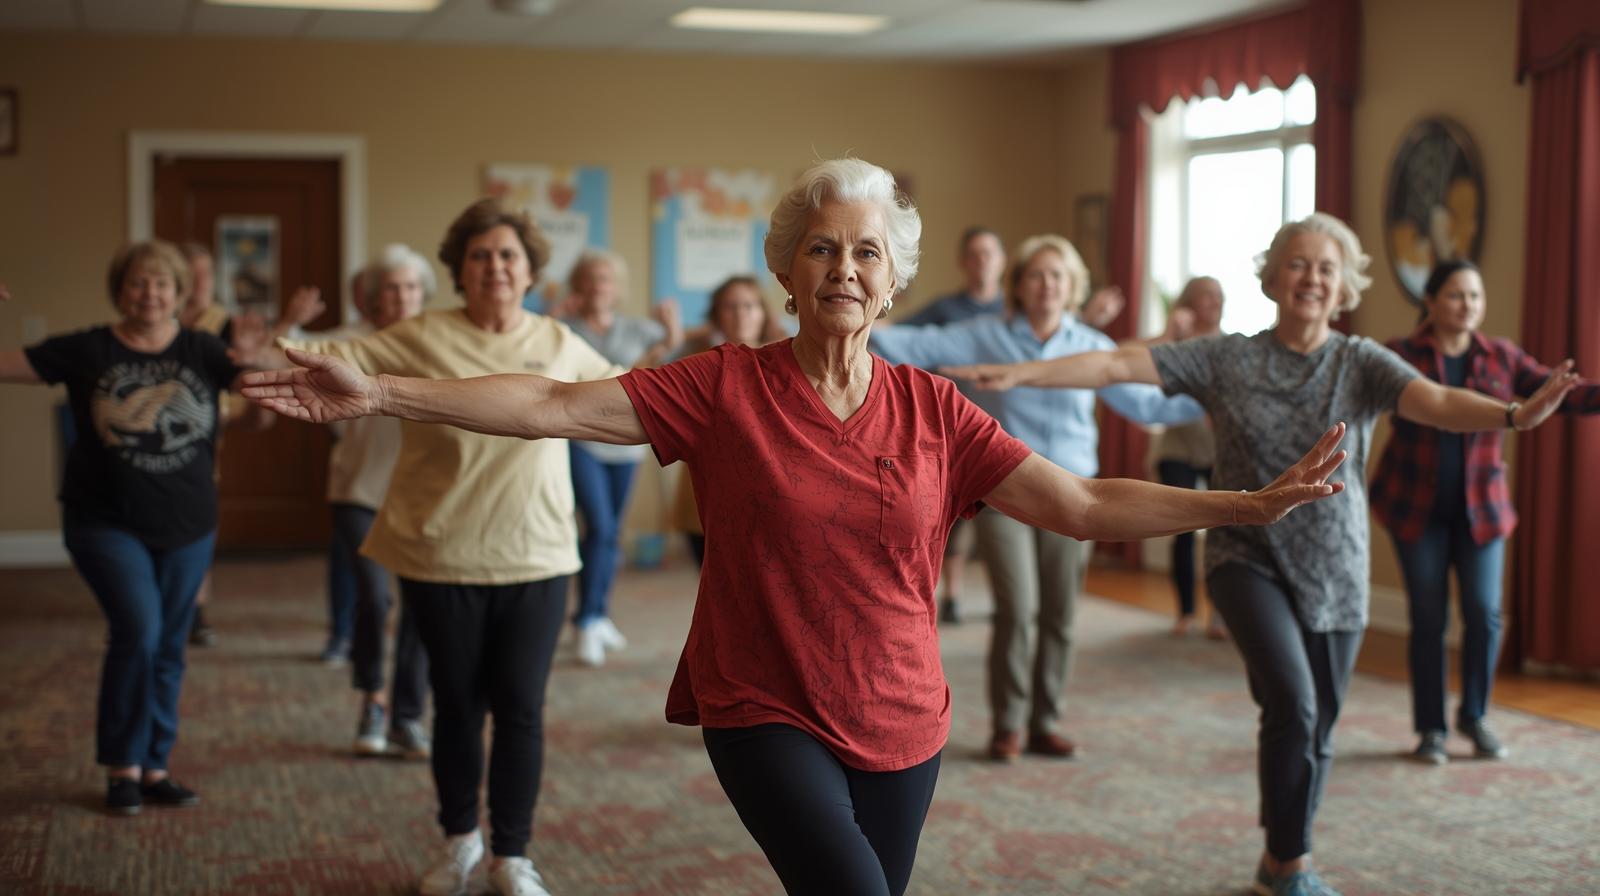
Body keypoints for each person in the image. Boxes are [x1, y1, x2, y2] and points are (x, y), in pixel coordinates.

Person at [242, 160, 1351, 896]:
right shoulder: (723, 386)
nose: (844, 268)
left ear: (893, 279)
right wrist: (380, 393)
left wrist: (1242, 505)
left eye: (866, 252)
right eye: (822, 248)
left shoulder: (933, 408)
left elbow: (1082, 503)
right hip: (764, 696)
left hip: (903, 709)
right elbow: (549, 405)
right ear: (784, 268)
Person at [942, 212, 1580, 896]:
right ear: (1272, 278)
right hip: (1245, 554)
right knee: (1294, 703)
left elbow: (1436, 401)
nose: (1312, 278)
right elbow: (1114, 362)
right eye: (1298, 264)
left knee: (1321, 725)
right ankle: (1296, 866)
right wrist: (1020, 374)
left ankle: (1280, 857)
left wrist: (1514, 415)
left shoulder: (1360, 362)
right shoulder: (1228, 356)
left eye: (1326, 269)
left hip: (1337, 564)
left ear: (1344, 289)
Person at [246, 199, 621, 896]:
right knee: (455, 705)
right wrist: (275, 339)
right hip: (438, 551)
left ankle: (511, 855)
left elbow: (628, 402)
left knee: (521, 708)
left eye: (509, 255)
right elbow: (328, 360)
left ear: (531, 269)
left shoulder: (561, 342)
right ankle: (460, 842)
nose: (495, 267)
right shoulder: (419, 335)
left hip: (536, 554)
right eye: (480, 256)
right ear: (459, 269)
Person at [871, 234, 1204, 762]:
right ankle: (1008, 725)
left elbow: (1146, 408)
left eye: (1058, 276)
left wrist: (1216, 400)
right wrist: (856, 316)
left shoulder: (1089, 345)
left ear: (1072, 288)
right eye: (1036, 276)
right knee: (1017, 608)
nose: (1047, 285)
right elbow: (911, 346)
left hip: (1078, 498)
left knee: (1059, 613)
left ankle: (1045, 721)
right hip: (1007, 493)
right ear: (1019, 286)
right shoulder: (983, 334)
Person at [0, 241, 256, 815]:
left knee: (169, 644)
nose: (150, 293)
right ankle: (122, 766)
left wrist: (262, 355)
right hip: (104, 522)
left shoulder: (205, 350)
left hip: (189, 524)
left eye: (162, 283)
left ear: (179, 292)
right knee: (139, 630)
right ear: (120, 290)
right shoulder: (86, 348)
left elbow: (262, 398)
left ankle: (154, 765)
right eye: (139, 283)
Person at [1369, 259, 1600, 765]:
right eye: (1455, 295)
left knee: (1483, 612)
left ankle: (1474, 716)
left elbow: (1554, 393)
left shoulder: (1501, 356)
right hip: (1416, 511)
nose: (1467, 305)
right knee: (1429, 619)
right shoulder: (1400, 356)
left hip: (1483, 514)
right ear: (1430, 301)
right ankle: (1430, 728)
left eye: (1474, 296)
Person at [176, 240, 326, 649]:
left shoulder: (223, 321)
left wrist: (288, 323)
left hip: (212, 423)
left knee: (197, 514)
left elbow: (251, 356)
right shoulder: (164, 317)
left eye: (206, 275)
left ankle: (195, 608)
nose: (200, 284)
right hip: (169, 419)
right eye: (193, 275)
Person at [324, 246, 434, 759]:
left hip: (421, 495)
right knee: (374, 599)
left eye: (411, 287)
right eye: (391, 288)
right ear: (372, 298)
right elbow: (295, 353)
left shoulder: (439, 345)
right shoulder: (348, 343)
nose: (402, 297)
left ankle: (407, 716)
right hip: (358, 491)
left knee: (419, 608)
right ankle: (373, 699)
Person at [559, 248, 683, 666]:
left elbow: (669, 353)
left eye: (605, 279)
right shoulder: (564, 327)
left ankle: (596, 612)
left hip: (626, 445)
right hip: (580, 440)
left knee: (609, 534)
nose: (598, 286)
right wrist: (552, 311)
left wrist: (671, 334)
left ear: (616, 289)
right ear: (578, 285)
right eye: (590, 279)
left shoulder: (637, 329)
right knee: (600, 526)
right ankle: (588, 620)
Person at [897, 225, 1006, 624]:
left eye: (989, 254)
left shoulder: (1012, 311)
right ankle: (954, 596)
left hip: (1002, 428)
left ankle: (1004, 597)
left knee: (1001, 517)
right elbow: (903, 337)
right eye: (974, 254)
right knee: (955, 521)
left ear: (1001, 262)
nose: (981, 262)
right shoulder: (946, 309)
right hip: (952, 428)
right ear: (963, 262)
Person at [671, 274, 775, 565]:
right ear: (716, 314)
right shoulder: (698, 359)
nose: (741, 314)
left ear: (763, 312)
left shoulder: (784, 359)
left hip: (766, 494)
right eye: (730, 306)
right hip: (707, 491)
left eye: (749, 305)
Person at [1149, 276, 1227, 638]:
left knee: (1221, 530)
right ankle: (1185, 611)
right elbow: (1151, 397)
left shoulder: (1233, 347)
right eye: (1205, 296)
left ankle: (1219, 615)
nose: (1214, 301)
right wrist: (1171, 334)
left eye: (1218, 296)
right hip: (1177, 448)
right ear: (1189, 302)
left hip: (1217, 449)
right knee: (1180, 529)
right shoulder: (1174, 345)